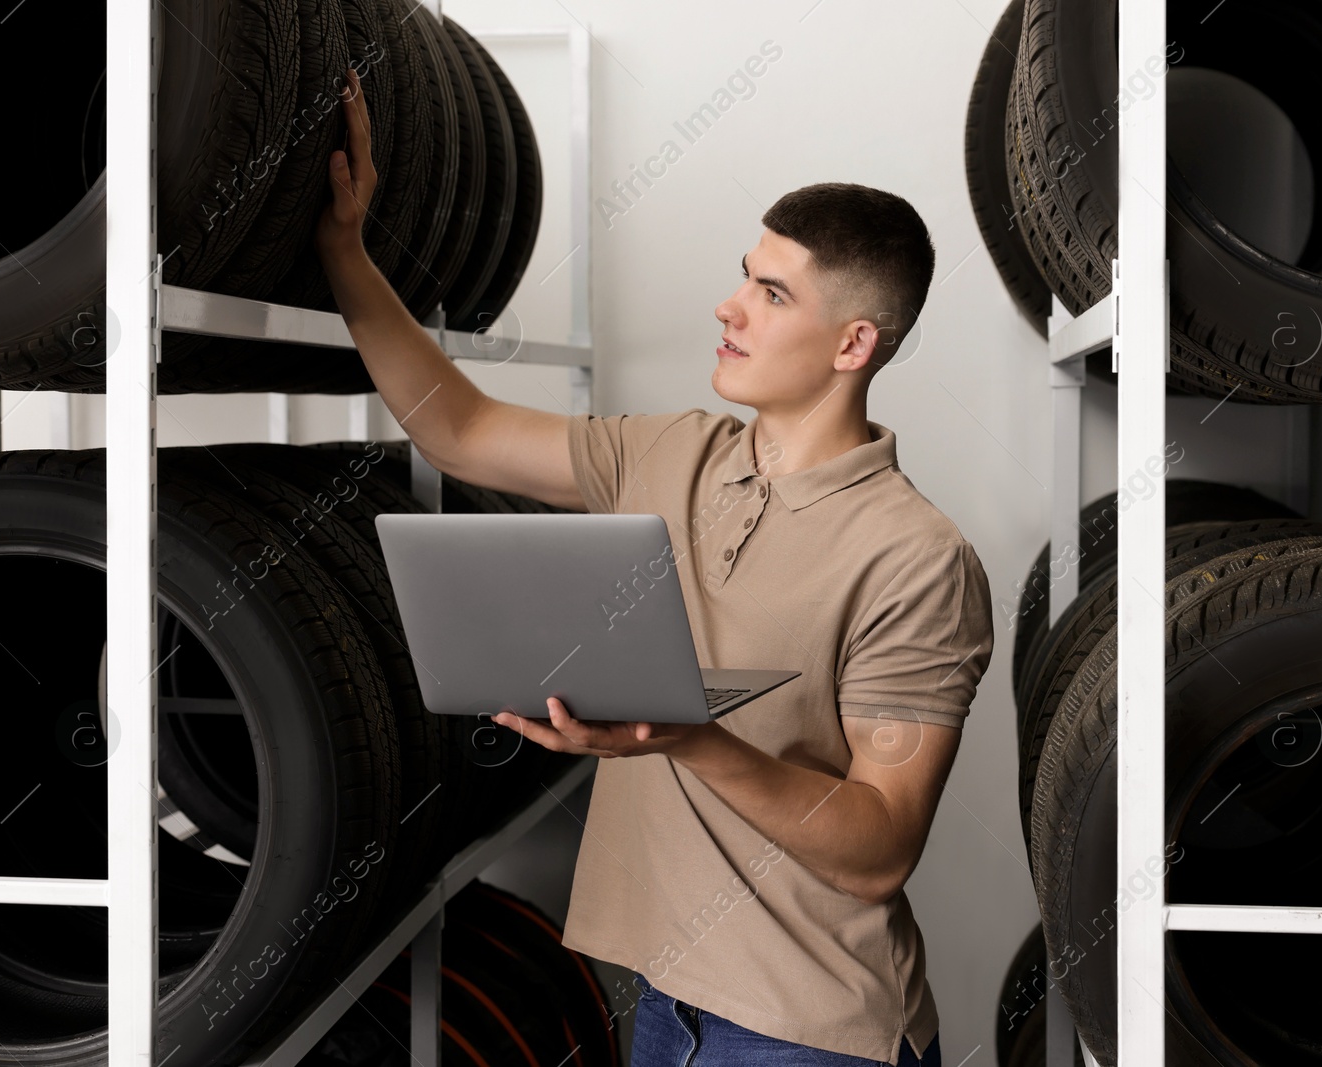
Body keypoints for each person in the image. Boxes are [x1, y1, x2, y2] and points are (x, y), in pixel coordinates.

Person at [317, 68, 993, 1067]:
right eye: (743, 275)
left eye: (770, 292)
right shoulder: (670, 451)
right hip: (663, 1006)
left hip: (806, 1031)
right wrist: (345, 253)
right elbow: (458, 429)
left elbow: (878, 843)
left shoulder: (917, 558)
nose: (729, 306)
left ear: (854, 341)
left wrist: (686, 737)